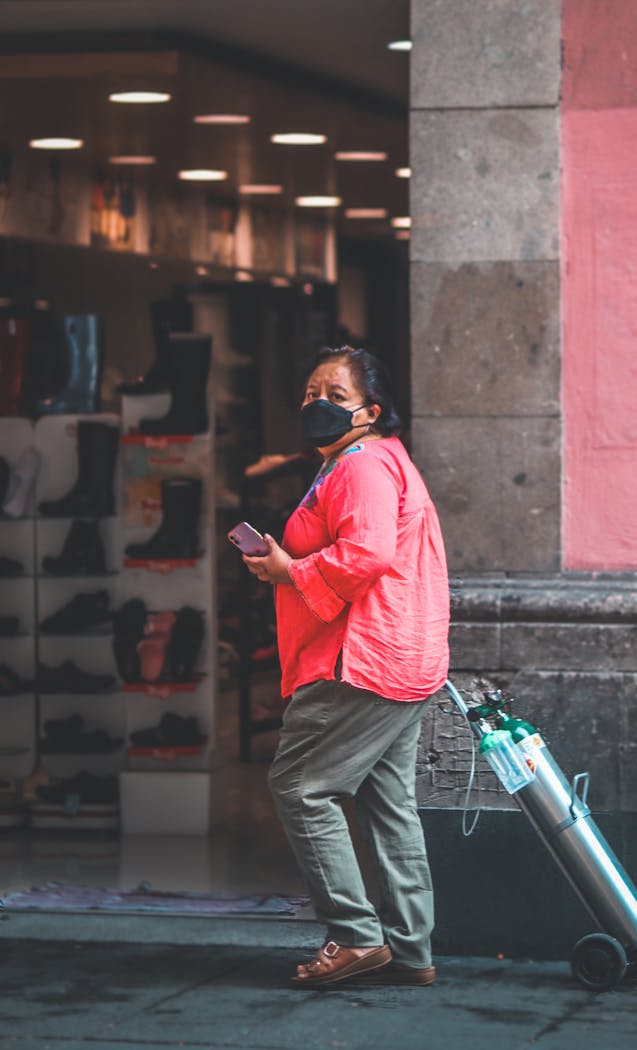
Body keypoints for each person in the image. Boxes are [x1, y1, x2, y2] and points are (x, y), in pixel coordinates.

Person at [243, 345, 450, 988]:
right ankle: (410, 949)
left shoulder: (360, 465)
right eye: (310, 394)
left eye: (335, 395)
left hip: (360, 660)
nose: (317, 405)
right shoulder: (377, 462)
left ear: (373, 412)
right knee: (389, 803)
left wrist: (288, 570)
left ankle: (357, 937)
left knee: (301, 788)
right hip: (404, 658)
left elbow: (364, 556)